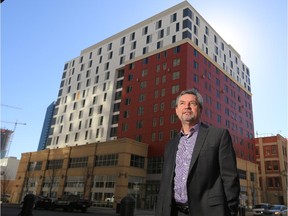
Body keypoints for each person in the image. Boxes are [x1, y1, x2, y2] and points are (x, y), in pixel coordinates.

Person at [156, 88, 240, 216]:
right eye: (182, 103)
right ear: (177, 111)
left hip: (209, 212)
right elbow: (165, 184)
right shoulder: (170, 145)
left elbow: (230, 179)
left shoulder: (218, 136)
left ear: (200, 109)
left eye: (192, 103)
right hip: (174, 212)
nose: (187, 107)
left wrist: (230, 212)